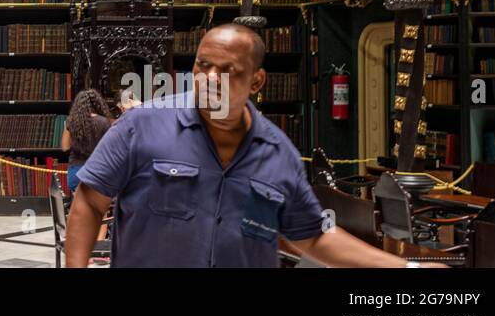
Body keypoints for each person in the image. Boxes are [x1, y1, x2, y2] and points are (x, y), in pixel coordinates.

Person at [65, 24, 445, 268]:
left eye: (227, 70)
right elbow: (89, 201)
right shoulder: (142, 125)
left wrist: (406, 268)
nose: (209, 78)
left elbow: (308, 234)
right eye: (202, 65)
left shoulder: (275, 152)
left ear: (258, 81)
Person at [62, 89, 113, 194]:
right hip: (98, 174)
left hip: (76, 175)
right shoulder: (104, 122)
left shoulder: (71, 122)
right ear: (98, 104)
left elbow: (65, 147)